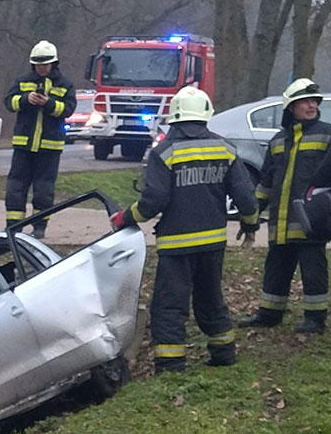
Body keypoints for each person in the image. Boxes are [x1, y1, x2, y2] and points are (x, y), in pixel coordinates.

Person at [109, 86, 259, 372]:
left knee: (169, 304)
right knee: (210, 297)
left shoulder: (164, 152)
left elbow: (153, 201)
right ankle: (223, 352)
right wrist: (250, 225)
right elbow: (245, 196)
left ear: (174, 116)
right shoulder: (225, 148)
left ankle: (171, 363)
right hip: (213, 243)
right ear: (205, 115)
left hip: (177, 245)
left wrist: (125, 218)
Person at [240, 78, 331, 333]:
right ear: (291, 107)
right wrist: (254, 208)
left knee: (313, 268)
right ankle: (269, 314)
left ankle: (315, 318)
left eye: (315, 101)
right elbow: (266, 181)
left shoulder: (326, 134)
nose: (312, 105)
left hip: (311, 219)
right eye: (306, 102)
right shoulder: (278, 141)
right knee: (276, 267)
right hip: (280, 221)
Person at [3, 40, 77, 239]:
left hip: (49, 147)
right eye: (37, 64)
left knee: (44, 190)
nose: (41, 68)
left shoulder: (65, 84)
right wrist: (26, 99)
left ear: (53, 63)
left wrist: (49, 104)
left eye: (45, 64)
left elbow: (69, 109)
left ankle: (39, 228)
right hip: (23, 145)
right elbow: (9, 102)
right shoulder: (22, 80)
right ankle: (13, 226)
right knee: (15, 187)